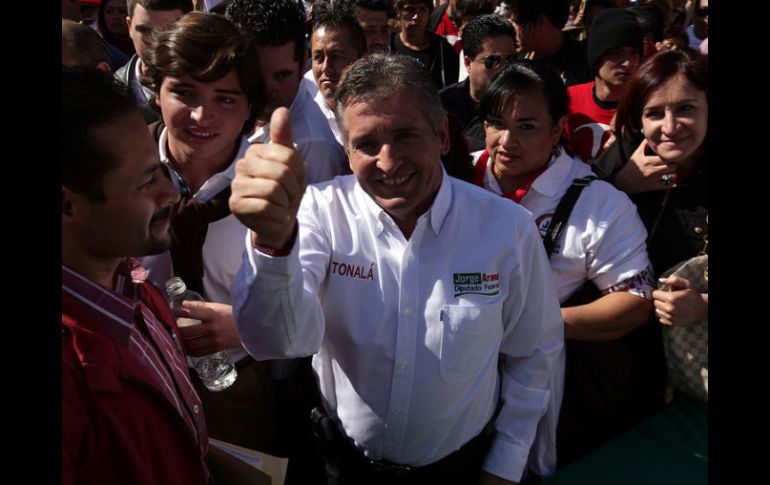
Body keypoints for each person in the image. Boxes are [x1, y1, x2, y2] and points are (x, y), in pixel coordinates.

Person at [228, 53, 564, 485]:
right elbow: (278, 341)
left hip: (461, 469)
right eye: (367, 144)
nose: (388, 162)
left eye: (406, 136)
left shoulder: (507, 229)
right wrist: (272, 244)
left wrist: (505, 464)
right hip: (343, 467)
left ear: (442, 136)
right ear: (346, 151)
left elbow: (533, 353)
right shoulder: (318, 213)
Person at [472, 60, 657, 471]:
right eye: (496, 123)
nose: (506, 140)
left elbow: (635, 302)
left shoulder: (599, 203)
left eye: (527, 126)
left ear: (557, 129)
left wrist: (538, 322)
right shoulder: (451, 177)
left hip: (535, 392)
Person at [139, 11, 281, 456]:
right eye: (184, 92)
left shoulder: (275, 184)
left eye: (225, 99)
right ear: (156, 90)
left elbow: (319, 300)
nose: (202, 115)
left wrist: (248, 326)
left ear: (250, 108)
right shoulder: (122, 168)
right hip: (137, 378)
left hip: (236, 382)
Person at [62, 65, 207, 485]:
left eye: (160, 170)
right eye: (145, 183)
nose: (172, 193)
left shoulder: (133, 282)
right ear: (67, 206)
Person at [592, 49, 708, 321]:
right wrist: (619, 186)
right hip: (622, 333)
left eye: (685, 109)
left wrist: (702, 306)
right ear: (640, 121)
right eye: (654, 113)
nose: (670, 127)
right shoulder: (623, 157)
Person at [225, 0, 349, 184]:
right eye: (255, 74)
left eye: (281, 76)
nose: (267, 88)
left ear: (302, 65)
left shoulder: (312, 147)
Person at [563, 8, 643, 163]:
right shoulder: (567, 99)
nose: (628, 63)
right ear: (596, 56)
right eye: (616, 53)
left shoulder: (645, 106)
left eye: (634, 53)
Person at [440, 13, 516, 152]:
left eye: (510, 60)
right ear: (468, 63)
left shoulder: (523, 106)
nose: (503, 69)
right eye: (492, 61)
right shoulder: (441, 106)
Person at [115, 0, 192, 123]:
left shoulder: (215, 83)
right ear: (129, 27)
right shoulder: (111, 92)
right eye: (145, 30)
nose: (154, 41)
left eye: (167, 30)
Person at [507, 0, 591, 86]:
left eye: (515, 23)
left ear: (541, 22)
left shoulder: (586, 64)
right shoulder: (507, 58)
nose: (509, 29)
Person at [390, 0, 460, 89]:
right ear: (397, 11)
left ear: (429, 12)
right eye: (410, 10)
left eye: (422, 10)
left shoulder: (444, 51)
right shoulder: (388, 46)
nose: (416, 17)